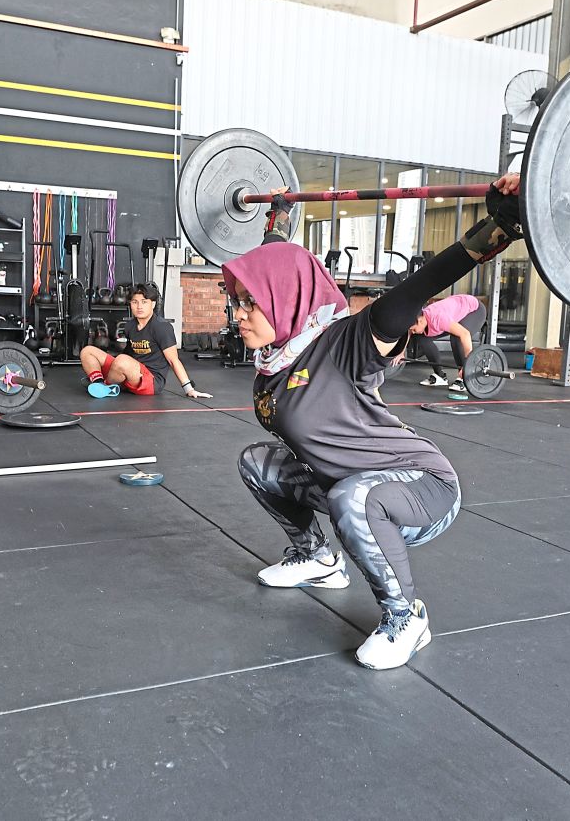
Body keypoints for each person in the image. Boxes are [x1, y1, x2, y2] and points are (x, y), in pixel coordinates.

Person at [226, 174, 522, 670]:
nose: (237, 315)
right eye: (236, 301)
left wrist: (498, 228)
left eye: (248, 302)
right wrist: (277, 216)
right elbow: (278, 259)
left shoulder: (344, 344)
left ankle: (407, 619)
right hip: (347, 486)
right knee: (258, 463)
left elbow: (417, 289)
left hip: (420, 489)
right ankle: (317, 559)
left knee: (353, 498)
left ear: (283, 298)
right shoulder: (278, 359)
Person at [79, 282, 213, 399]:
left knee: (121, 360)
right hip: (130, 372)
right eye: (135, 302)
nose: (139, 306)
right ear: (130, 305)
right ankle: (98, 383)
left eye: (144, 302)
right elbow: (128, 354)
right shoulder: (130, 325)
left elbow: (173, 360)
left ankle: (105, 386)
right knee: (87, 351)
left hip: (151, 381)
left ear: (153, 304)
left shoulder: (162, 327)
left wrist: (189, 389)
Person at [408, 293, 486, 392]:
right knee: (422, 339)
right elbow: (409, 332)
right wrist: (400, 352)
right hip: (454, 311)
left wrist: (467, 364)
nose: (413, 332)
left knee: (457, 337)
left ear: (420, 321)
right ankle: (440, 376)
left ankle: (465, 378)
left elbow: (465, 334)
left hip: (474, 310)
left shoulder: (438, 318)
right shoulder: (420, 319)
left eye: (414, 329)